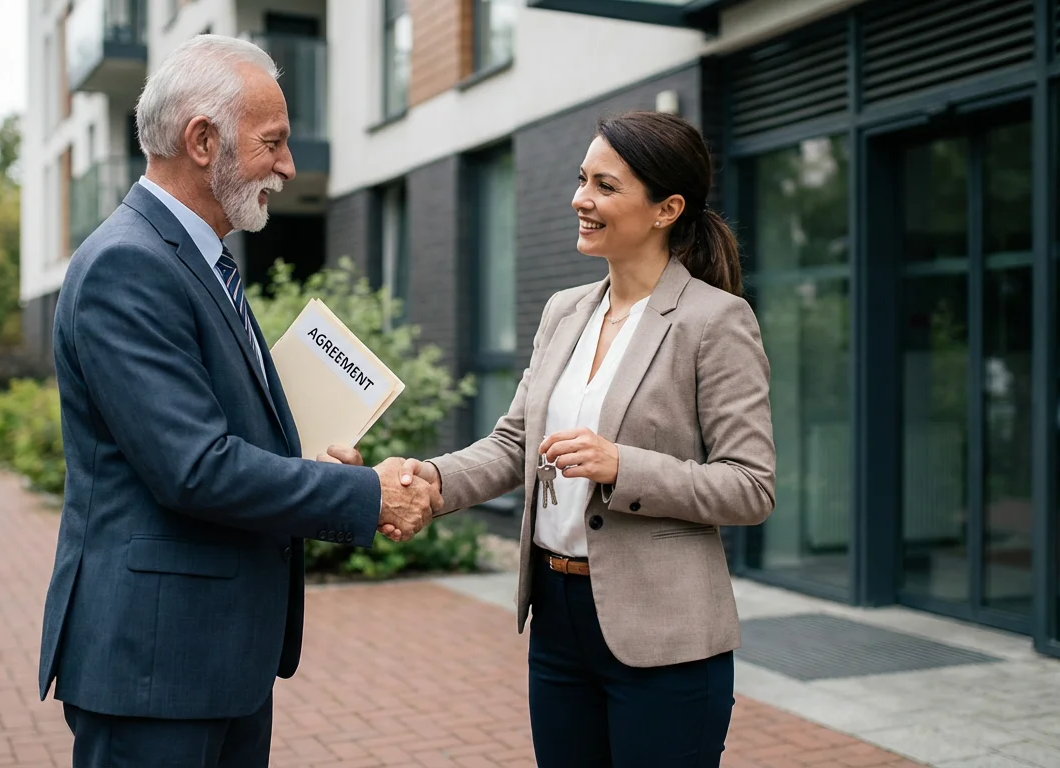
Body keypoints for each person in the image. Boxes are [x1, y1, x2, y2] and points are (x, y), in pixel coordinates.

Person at [37, 36, 437, 768]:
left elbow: (212, 436)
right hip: (156, 668)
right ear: (201, 140)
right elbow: (193, 467)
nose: (288, 165)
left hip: (212, 658)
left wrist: (307, 462)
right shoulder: (129, 264)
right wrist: (360, 492)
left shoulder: (197, 257)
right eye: (274, 142)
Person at [330, 110, 775, 765]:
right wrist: (432, 480)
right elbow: (516, 442)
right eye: (580, 180)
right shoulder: (564, 310)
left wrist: (622, 466)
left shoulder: (716, 322)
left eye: (604, 185)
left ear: (666, 208)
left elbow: (751, 485)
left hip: (665, 634)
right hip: (558, 619)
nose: (579, 199)